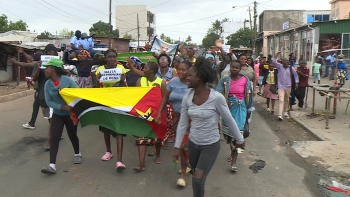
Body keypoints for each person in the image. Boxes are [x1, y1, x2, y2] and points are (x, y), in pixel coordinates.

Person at [173, 57, 245, 197]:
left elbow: (228, 119)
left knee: (198, 177)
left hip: (210, 145)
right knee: (196, 175)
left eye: (190, 75)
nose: (186, 78)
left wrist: (240, 139)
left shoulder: (216, 98)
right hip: (193, 144)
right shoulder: (187, 97)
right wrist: (177, 146)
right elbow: (182, 123)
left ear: (199, 77)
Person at [41, 58, 81, 174]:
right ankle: (52, 165)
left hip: (70, 114)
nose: (45, 70)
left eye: (47, 68)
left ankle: (77, 154)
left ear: (53, 69)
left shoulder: (68, 81)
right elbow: (48, 101)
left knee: (72, 134)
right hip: (58, 114)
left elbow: (77, 95)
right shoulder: (47, 84)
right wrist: (62, 107)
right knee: (54, 137)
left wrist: (70, 106)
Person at [156, 60, 192, 187]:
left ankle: (183, 175)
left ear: (190, 71)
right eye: (179, 69)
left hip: (191, 118)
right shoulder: (173, 82)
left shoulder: (192, 84)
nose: (181, 72)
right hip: (176, 117)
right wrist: (160, 112)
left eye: (184, 70)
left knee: (184, 144)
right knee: (181, 143)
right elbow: (165, 97)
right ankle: (187, 164)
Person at [216, 60, 253, 172]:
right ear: (230, 68)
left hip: (241, 109)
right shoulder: (225, 80)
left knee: (238, 134)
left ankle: (234, 162)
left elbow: (250, 96)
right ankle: (232, 151)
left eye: (237, 67)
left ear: (240, 69)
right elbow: (217, 92)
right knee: (229, 135)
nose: (235, 69)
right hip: (228, 109)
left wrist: (249, 110)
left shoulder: (245, 80)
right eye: (233, 67)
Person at [95, 49, 127, 169]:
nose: (112, 59)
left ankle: (120, 160)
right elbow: (98, 88)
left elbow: (123, 86)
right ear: (105, 58)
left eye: (114, 57)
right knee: (106, 129)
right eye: (109, 57)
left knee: (119, 129)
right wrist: (98, 80)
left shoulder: (121, 68)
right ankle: (109, 151)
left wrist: (122, 80)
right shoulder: (100, 70)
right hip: (105, 102)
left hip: (119, 102)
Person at [134, 62, 166, 172]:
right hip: (143, 114)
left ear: (152, 70)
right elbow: (136, 97)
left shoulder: (161, 82)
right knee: (141, 138)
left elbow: (164, 100)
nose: (143, 69)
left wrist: (161, 115)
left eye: (145, 68)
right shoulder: (140, 81)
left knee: (157, 138)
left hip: (157, 114)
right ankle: (141, 164)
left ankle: (158, 155)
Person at [272, 51, 299, 121]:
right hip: (280, 86)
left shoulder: (291, 68)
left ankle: (285, 111)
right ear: (282, 62)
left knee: (286, 100)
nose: (286, 62)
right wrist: (276, 54)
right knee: (281, 100)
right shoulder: (279, 67)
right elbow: (274, 61)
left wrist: (296, 82)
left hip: (288, 86)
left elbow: (295, 75)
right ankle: (280, 115)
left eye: (287, 61)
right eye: (285, 61)